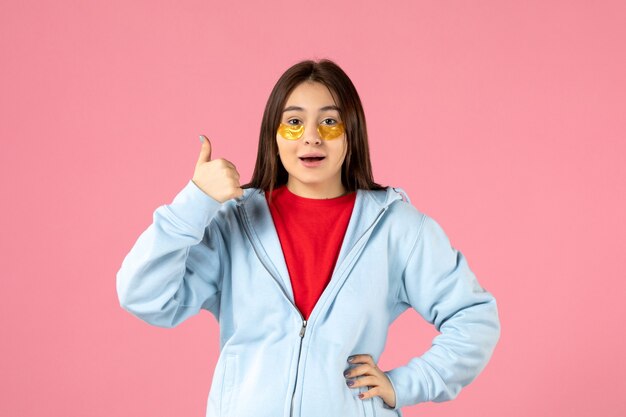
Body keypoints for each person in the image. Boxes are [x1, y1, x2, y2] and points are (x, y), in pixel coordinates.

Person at [116, 59, 501, 417]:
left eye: (330, 122)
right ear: (274, 134)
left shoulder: (397, 228)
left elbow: (474, 317)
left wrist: (405, 384)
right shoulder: (235, 222)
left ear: (352, 131)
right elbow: (145, 296)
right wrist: (194, 203)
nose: (312, 138)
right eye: (294, 123)